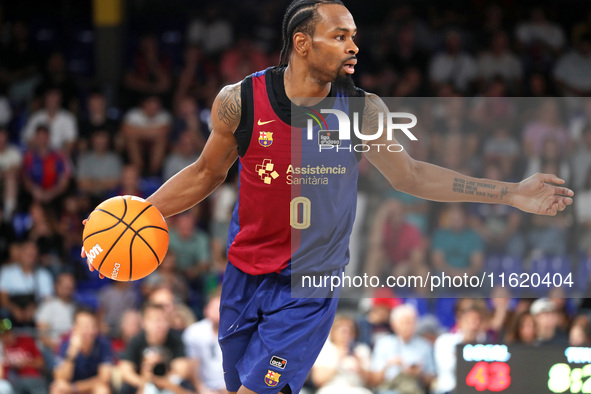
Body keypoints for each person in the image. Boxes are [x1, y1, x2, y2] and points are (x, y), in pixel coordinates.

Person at [84, 1, 573, 393]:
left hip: (308, 284)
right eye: (340, 36)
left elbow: (412, 176)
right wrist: (136, 218)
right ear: (302, 43)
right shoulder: (240, 101)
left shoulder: (362, 109)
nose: (353, 46)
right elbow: (205, 173)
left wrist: (510, 193)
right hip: (244, 275)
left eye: (354, 36)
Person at [118, 303, 192, 394]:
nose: (159, 325)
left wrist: (163, 380)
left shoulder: (176, 339)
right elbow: (125, 371)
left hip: (169, 383)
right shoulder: (136, 340)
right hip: (141, 382)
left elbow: (182, 370)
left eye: (164, 320)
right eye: (156, 320)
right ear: (144, 322)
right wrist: (144, 380)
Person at [369, 304, 434, 394]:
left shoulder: (425, 346)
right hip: (388, 389)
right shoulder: (383, 344)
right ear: (393, 325)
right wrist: (388, 365)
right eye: (404, 322)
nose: (408, 326)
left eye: (411, 322)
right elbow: (373, 380)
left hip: (415, 389)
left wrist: (419, 373)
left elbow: (431, 381)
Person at [52, 307, 112, 394]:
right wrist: (72, 352)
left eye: (93, 326)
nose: (90, 331)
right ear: (75, 328)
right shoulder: (65, 344)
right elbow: (60, 377)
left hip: (89, 389)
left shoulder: (103, 343)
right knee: (57, 389)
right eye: (85, 327)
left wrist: (74, 388)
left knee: (102, 390)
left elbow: (104, 378)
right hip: (70, 389)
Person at [182, 289, 226, 394]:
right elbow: (193, 365)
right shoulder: (193, 332)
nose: (218, 311)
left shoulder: (236, 332)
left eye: (221, 308)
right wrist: (201, 388)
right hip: (204, 387)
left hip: (228, 387)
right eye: (214, 308)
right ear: (206, 310)